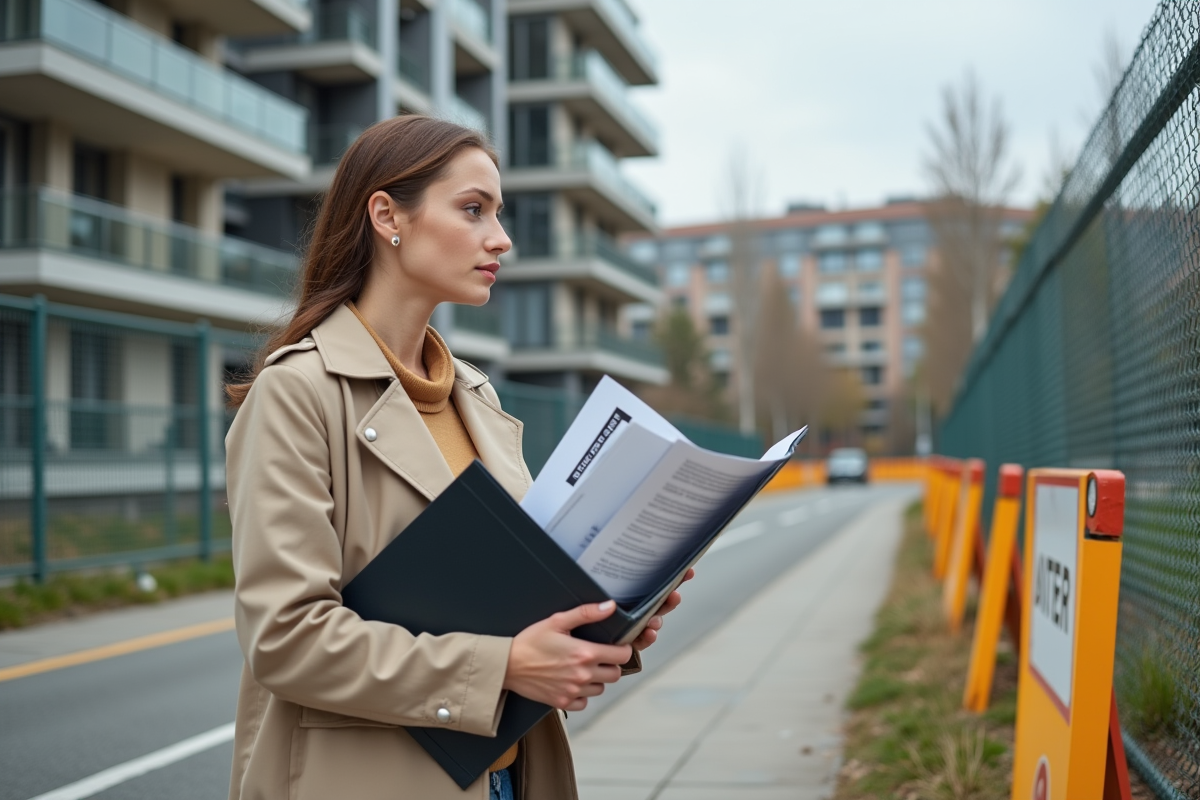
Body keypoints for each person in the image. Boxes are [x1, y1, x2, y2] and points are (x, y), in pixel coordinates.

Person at [223, 115, 689, 800]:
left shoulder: (476, 395)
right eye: (473, 210)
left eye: (497, 214)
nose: (500, 238)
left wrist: (604, 630)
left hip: (513, 778)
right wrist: (503, 665)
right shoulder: (297, 394)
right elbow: (287, 638)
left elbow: (516, 601)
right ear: (388, 215)